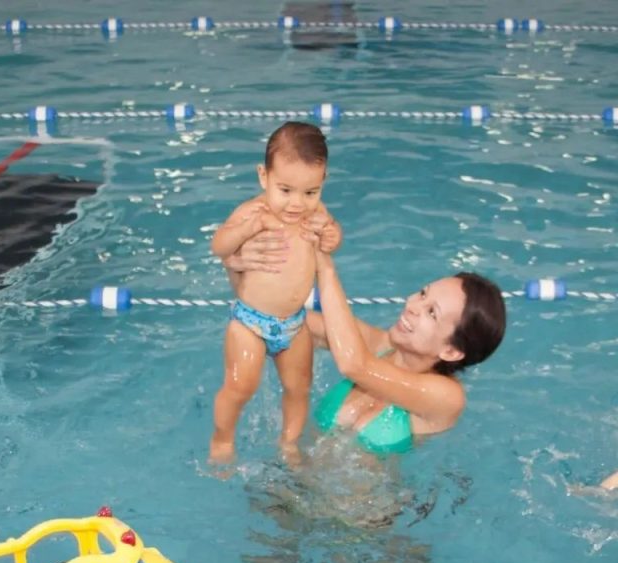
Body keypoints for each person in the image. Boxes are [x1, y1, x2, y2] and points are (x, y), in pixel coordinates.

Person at [226, 231, 507, 452]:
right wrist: (237, 263)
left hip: (367, 511)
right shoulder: (377, 346)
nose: (412, 305)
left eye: (431, 312)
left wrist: (325, 268)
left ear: (451, 351)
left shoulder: (446, 397)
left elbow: (354, 365)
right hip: (289, 490)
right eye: (422, 294)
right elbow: (272, 318)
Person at [209, 121, 341, 463]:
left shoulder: (317, 214)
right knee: (240, 387)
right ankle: (222, 440)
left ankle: (289, 443)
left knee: (299, 388)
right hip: (249, 322)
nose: (297, 203)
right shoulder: (253, 212)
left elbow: (333, 235)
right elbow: (219, 245)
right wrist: (247, 229)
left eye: (310, 192)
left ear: (323, 182)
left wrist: (331, 236)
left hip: (294, 323)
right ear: (263, 177)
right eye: (285, 190)